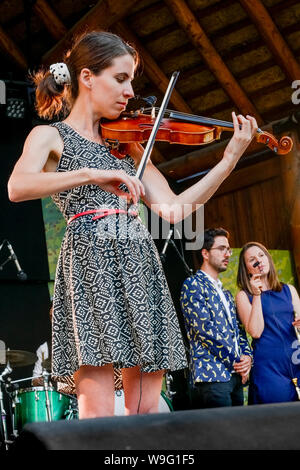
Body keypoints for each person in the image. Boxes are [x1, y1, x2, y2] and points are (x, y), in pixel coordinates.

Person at [7, 31, 258, 419]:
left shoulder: (128, 144)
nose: (129, 92)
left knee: (146, 414)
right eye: (120, 79)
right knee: (100, 419)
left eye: (131, 81)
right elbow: (18, 186)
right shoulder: (50, 136)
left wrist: (228, 160)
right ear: (88, 77)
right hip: (92, 269)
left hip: (140, 266)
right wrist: (90, 174)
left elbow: (174, 209)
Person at [180, 228, 252, 408]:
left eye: (228, 249)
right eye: (221, 248)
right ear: (205, 253)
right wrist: (237, 362)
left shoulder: (226, 293)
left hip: (235, 377)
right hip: (212, 376)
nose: (227, 254)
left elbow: (239, 331)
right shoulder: (192, 285)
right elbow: (205, 332)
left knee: (237, 432)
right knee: (221, 434)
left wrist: (247, 357)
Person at [236, 242, 300, 404]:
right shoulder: (244, 296)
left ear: (268, 259)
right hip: (269, 368)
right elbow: (255, 332)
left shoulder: (289, 290)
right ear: (247, 268)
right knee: (278, 417)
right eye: (252, 260)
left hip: (295, 359)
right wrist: (257, 294)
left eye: (261, 255)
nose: (259, 260)